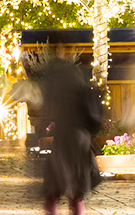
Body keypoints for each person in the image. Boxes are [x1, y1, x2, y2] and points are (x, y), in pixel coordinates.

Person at [39, 53, 102, 215]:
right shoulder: (80, 86)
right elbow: (94, 117)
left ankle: (55, 206)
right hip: (79, 137)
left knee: (56, 183)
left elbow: (48, 107)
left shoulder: (58, 88)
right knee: (76, 187)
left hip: (65, 137)